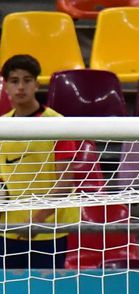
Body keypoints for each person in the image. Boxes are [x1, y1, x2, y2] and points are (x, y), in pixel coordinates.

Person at [0, 54, 77, 268]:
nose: (21, 87)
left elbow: (65, 182)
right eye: (14, 81)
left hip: (47, 231)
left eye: (27, 80)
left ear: (36, 84)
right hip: (7, 229)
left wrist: (37, 220)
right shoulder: (2, 125)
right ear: (6, 86)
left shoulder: (57, 124)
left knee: (45, 289)